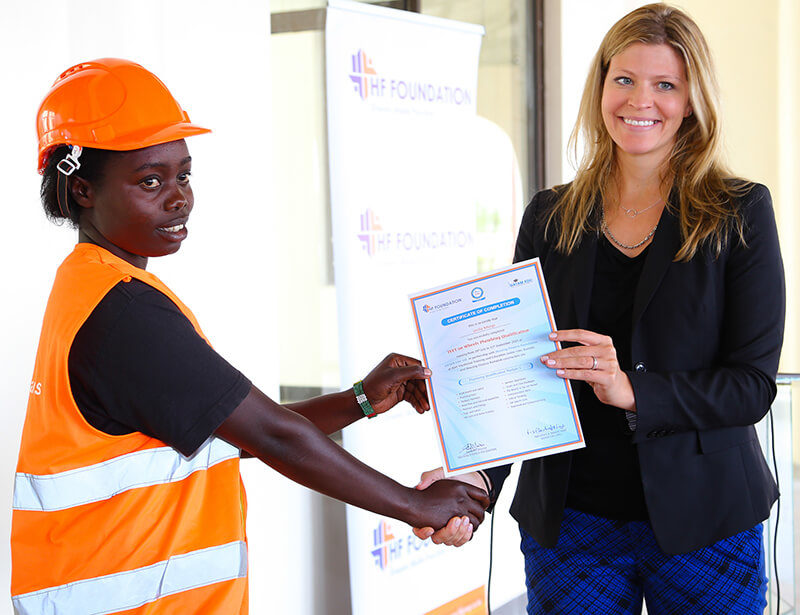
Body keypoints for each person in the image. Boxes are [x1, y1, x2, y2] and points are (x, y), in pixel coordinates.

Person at [10, 58, 489, 615]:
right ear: (83, 190)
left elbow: (233, 431)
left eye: (184, 174)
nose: (179, 197)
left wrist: (360, 399)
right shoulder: (124, 314)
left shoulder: (92, 286)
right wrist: (415, 505)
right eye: (150, 180)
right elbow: (274, 436)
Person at [413, 4, 785, 614]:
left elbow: (750, 386)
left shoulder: (737, 212)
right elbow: (518, 371)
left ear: (692, 100)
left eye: (666, 84)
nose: (642, 100)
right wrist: (477, 481)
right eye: (625, 79)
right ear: (602, 86)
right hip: (573, 524)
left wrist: (631, 389)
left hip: (707, 523)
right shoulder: (549, 216)